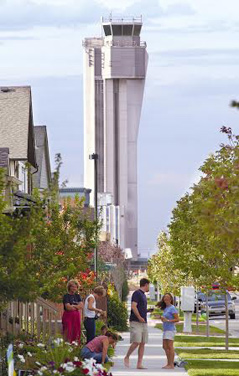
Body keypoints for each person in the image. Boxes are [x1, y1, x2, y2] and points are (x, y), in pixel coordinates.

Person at [124, 278, 150, 369]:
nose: (149, 287)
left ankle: (139, 364)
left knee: (142, 342)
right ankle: (127, 356)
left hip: (144, 322)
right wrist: (139, 317)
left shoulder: (143, 295)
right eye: (148, 285)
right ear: (146, 284)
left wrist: (147, 311)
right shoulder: (137, 293)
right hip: (136, 321)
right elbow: (133, 307)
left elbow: (140, 308)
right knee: (136, 341)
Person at [157, 293, 179, 369]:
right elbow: (165, 320)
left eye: (167, 298)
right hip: (166, 329)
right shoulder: (166, 308)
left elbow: (177, 319)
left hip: (170, 329)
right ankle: (168, 363)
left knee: (170, 346)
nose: (166, 299)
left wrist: (168, 320)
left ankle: (171, 364)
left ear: (170, 299)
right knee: (165, 346)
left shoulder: (172, 308)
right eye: (165, 298)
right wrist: (162, 319)